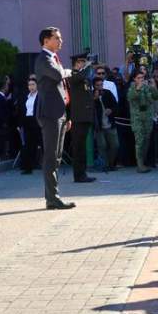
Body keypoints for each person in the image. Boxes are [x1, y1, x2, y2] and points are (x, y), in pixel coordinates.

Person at [33, 29, 76, 210]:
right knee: (51, 157)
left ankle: (52, 197)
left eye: (60, 37)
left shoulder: (54, 59)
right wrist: (67, 71)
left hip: (59, 113)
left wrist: (67, 116)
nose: (61, 41)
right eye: (57, 38)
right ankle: (53, 198)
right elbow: (58, 75)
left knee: (57, 157)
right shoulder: (44, 59)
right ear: (46, 41)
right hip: (50, 115)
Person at [66, 52, 95, 183]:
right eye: (82, 61)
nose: (85, 63)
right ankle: (79, 175)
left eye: (85, 61)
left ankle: (82, 173)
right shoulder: (72, 75)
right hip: (78, 117)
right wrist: (87, 67)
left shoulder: (82, 76)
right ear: (77, 63)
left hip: (85, 116)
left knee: (81, 146)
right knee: (78, 147)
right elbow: (79, 77)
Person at [126, 70, 158, 172]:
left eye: (142, 78)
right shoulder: (132, 88)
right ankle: (140, 165)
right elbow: (131, 97)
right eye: (139, 78)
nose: (141, 80)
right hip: (137, 118)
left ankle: (143, 161)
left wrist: (153, 87)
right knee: (140, 140)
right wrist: (138, 88)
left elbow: (157, 96)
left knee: (146, 140)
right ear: (134, 79)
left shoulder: (147, 87)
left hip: (148, 117)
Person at [91, 76, 119, 171]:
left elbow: (116, 106)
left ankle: (111, 163)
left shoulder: (107, 93)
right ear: (94, 86)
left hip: (110, 124)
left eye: (101, 85)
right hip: (99, 126)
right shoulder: (91, 95)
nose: (100, 87)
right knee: (102, 145)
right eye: (98, 85)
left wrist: (111, 110)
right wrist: (94, 99)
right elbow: (89, 110)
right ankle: (105, 165)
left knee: (115, 145)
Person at [0, 76, 17, 161]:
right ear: (4, 86)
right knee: (3, 140)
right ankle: (3, 154)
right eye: (7, 85)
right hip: (2, 124)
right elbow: (0, 112)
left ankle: (5, 153)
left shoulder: (1, 97)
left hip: (2, 124)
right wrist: (4, 122)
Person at [19, 76, 41, 173]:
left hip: (37, 121)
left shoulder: (40, 96)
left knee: (41, 143)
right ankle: (28, 167)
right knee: (28, 144)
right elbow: (22, 110)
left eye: (33, 85)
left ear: (37, 85)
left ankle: (47, 166)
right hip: (28, 121)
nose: (31, 87)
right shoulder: (26, 97)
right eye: (29, 85)